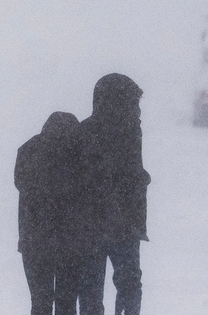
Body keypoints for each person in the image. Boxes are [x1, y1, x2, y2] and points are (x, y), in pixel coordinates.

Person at [76, 73, 151, 315]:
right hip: (120, 223)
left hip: (94, 223)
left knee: (91, 288)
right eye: (133, 103)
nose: (138, 111)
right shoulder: (129, 132)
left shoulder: (87, 131)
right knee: (128, 284)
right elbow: (125, 176)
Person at [16, 111, 89, 315]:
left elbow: (21, 183)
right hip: (70, 242)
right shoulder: (77, 154)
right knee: (66, 303)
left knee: (40, 302)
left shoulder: (29, 150)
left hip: (34, 242)